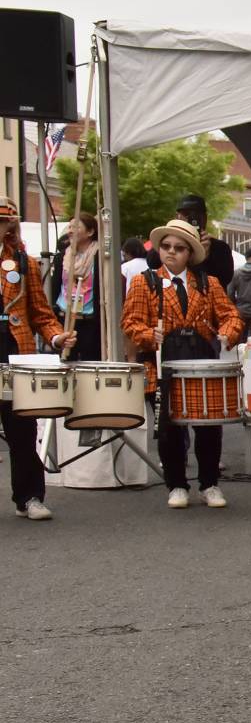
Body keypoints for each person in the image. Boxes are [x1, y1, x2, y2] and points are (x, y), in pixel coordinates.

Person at [122, 219, 245, 509]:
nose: (171, 252)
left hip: (202, 362)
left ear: (190, 252)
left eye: (179, 248)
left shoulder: (208, 283)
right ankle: (176, 484)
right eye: (166, 247)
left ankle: (210, 483)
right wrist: (149, 334)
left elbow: (232, 316)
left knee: (209, 428)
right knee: (169, 429)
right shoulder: (144, 281)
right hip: (164, 364)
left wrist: (227, 333)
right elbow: (130, 321)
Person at [0, 198, 70, 520]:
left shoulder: (25, 264)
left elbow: (41, 314)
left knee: (22, 428)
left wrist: (57, 336)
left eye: (2, 223)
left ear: (8, 226)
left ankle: (29, 496)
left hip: (16, 348)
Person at [46, 212, 105, 363]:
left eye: (76, 227)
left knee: (90, 365)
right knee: (65, 363)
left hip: (90, 321)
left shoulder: (100, 257)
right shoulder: (62, 257)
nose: (70, 230)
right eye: (70, 226)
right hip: (64, 318)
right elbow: (55, 288)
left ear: (90, 232)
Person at [151, 195, 234, 291]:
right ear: (177, 217)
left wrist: (204, 258)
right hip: (171, 296)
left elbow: (225, 279)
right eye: (186, 215)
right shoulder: (169, 242)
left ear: (204, 219)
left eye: (196, 216)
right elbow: (152, 262)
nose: (191, 221)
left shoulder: (219, 248)